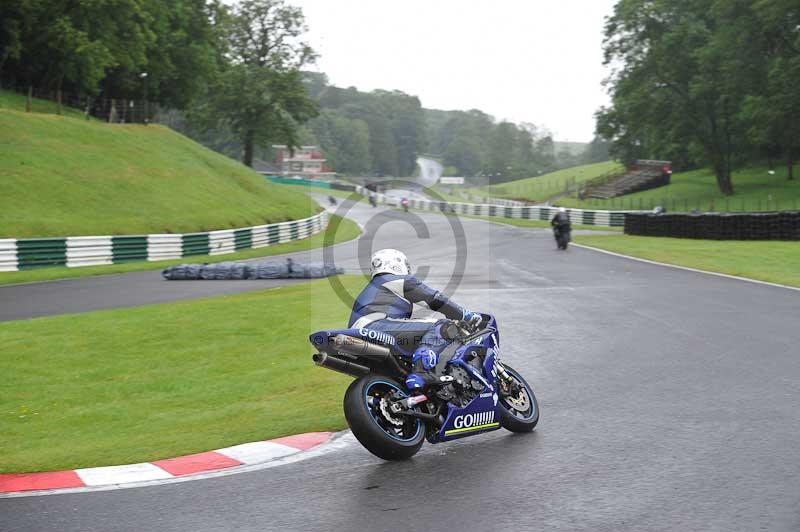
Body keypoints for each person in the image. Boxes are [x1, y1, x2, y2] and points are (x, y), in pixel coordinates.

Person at [348, 249, 481, 392]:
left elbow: (409, 320)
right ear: (396, 264)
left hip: (357, 334)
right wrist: (464, 315)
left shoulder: (374, 289)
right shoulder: (394, 280)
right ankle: (421, 371)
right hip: (376, 326)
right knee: (441, 327)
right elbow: (433, 298)